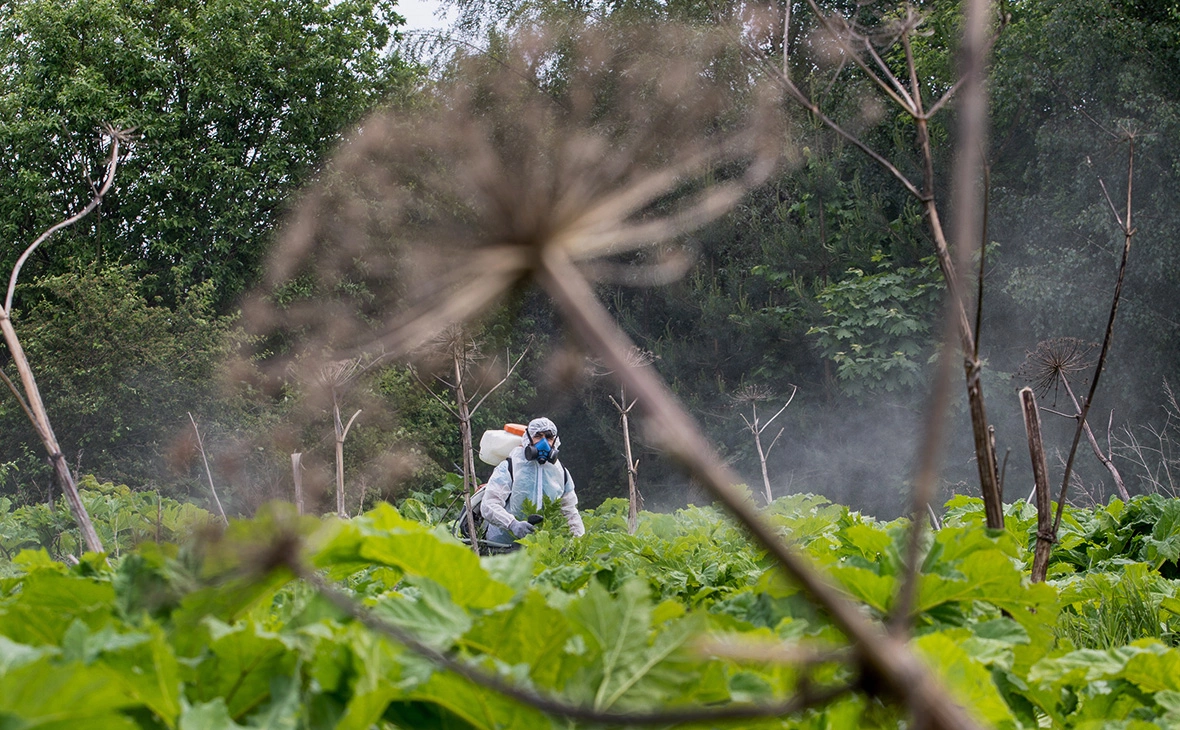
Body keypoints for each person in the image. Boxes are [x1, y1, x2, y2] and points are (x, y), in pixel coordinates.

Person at [481, 417, 585, 544]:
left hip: (542, 546)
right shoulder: (511, 466)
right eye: (538, 436)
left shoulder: (561, 472)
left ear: (555, 441)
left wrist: (578, 541)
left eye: (549, 437)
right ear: (528, 438)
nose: (544, 442)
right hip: (503, 544)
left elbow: (570, 512)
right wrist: (512, 524)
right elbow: (489, 504)